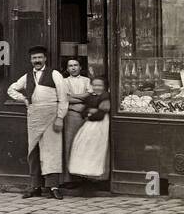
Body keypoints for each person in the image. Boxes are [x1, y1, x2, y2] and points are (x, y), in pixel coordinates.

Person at [6, 46, 68, 199]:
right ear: (31, 60)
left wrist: (60, 117)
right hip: (34, 117)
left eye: (40, 58)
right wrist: (24, 98)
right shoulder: (26, 76)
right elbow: (11, 89)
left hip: (52, 117)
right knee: (33, 151)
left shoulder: (55, 74)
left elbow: (63, 98)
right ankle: (35, 186)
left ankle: (53, 186)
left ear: (45, 58)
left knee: (52, 150)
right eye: (34, 58)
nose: (37, 61)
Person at [67, 76, 111, 183]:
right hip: (89, 123)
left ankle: (96, 173)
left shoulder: (105, 96)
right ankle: (85, 171)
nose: (97, 87)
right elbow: (84, 110)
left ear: (104, 87)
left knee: (96, 146)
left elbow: (101, 113)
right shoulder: (90, 97)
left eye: (100, 85)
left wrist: (90, 115)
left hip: (100, 124)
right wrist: (88, 113)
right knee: (83, 144)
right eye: (95, 85)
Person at [60, 58, 92, 186]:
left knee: (83, 145)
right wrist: (81, 98)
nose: (73, 68)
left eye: (75, 65)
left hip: (84, 116)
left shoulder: (87, 80)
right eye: (70, 66)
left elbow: (88, 96)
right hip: (71, 116)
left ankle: (83, 176)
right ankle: (69, 178)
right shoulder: (64, 81)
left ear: (80, 67)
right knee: (69, 144)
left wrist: (73, 97)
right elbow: (64, 98)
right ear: (67, 69)